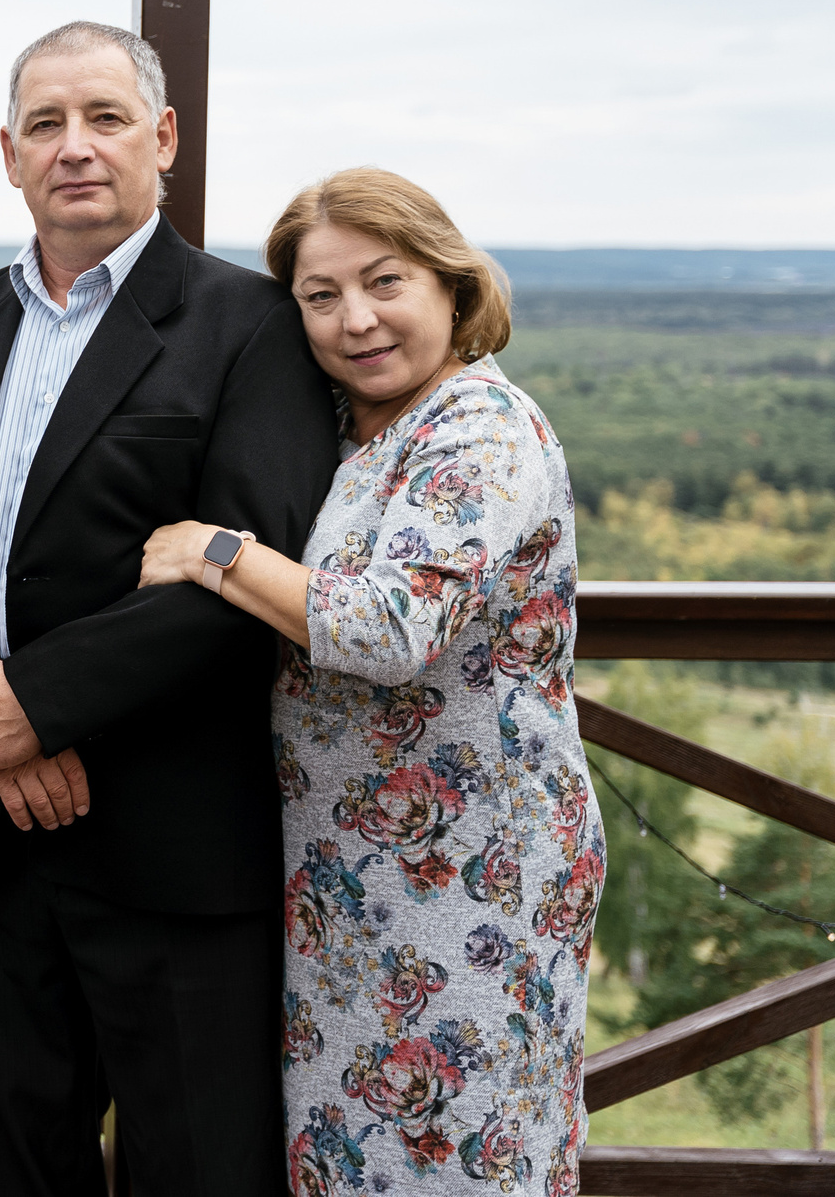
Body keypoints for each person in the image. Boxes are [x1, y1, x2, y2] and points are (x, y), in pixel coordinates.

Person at [0, 21, 342, 1193]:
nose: (76, 147)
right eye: (46, 124)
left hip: (171, 834)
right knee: (16, 1165)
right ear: (7, 153)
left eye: (105, 118)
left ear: (162, 139)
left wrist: (37, 703)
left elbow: (247, 575)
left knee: (196, 1168)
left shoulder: (249, 323)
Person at [139, 168, 603, 1194]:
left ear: (448, 282)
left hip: (480, 874)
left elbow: (393, 627)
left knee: (463, 1159)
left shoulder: (478, 426)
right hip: (347, 879)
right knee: (352, 1158)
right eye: (319, 296)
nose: (356, 319)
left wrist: (213, 549)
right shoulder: (350, 430)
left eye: (383, 281)